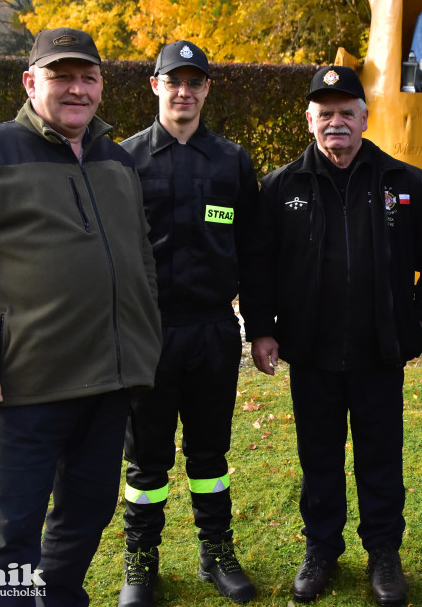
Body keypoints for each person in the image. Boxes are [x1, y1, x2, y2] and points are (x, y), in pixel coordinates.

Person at [0, 27, 162, 606]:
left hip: (108, 382)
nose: (77, 89)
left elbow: (139, 257)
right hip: (19, 389)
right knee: (8, 540)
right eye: (61, 76)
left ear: (102, 85)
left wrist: (144, 340)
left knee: (87, 513)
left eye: (88, 77)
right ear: (31, 82)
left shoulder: (117, 159)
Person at [240, 65, 422, 606]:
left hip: (379, 350)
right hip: (310, 352)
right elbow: (259, 266)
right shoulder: (281, 186)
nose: (336, 122)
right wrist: (261, 331)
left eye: (346, 113)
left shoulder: (402, 181)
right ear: (309, 119)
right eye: (325, 113)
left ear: (365, 118)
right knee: (319, 457)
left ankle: (383, 552)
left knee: (381, 454)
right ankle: (321, 549)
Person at [116, 40, 259, 606]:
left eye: (194, 82)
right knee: (145, 457)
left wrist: (261, 324)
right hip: (147, 331)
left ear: (206, 90)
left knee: (209, 454)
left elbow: (254, 248)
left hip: (211, 331)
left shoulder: (231, 161)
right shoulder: (121, 159)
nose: (184, 91)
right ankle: (141, 562)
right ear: (155, 86)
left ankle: (216, 551)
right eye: (173, 80)